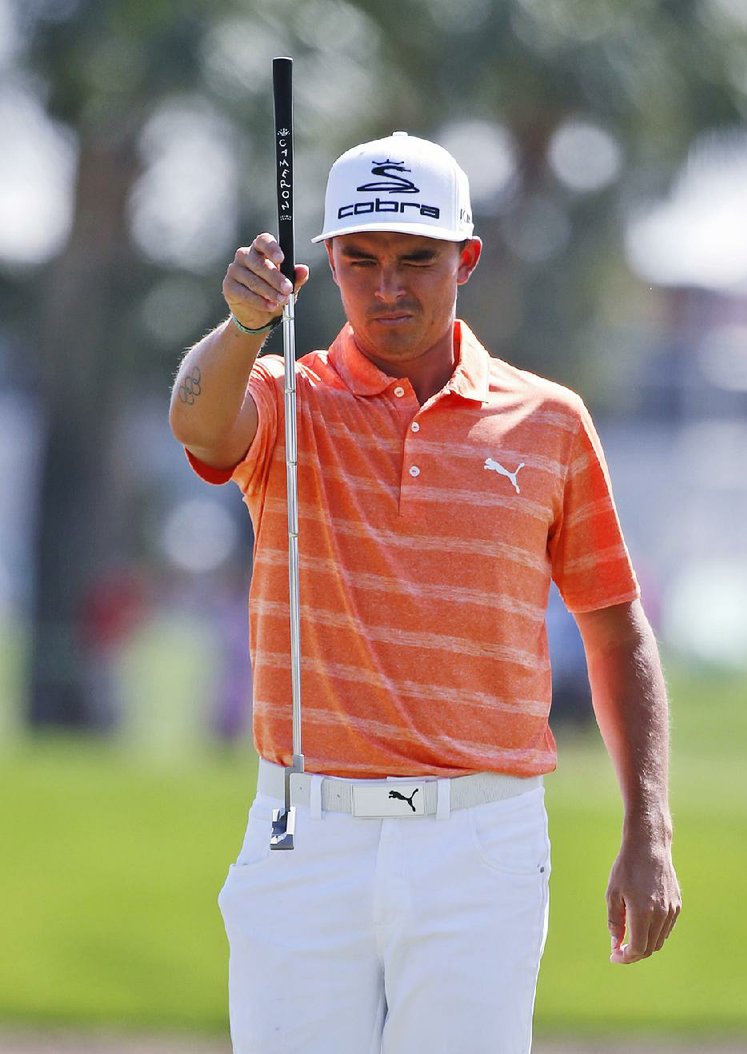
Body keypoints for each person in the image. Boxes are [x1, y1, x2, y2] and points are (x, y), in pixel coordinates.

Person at [169, 132, 680, 1054]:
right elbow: (198, 419)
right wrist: (244, 324)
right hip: (305, 837)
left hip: (481, 847)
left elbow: (615, 630)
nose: (388, 286)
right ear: (328, 262)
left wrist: (651, 827)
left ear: (465, 260)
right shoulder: (287, 398)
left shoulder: (549, 421)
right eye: (360, 261)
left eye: (417, 259)